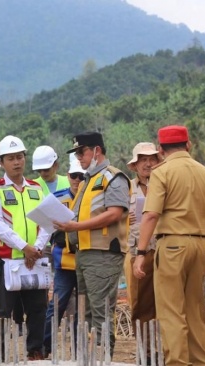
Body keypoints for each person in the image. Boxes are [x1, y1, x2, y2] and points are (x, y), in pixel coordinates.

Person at [133, 125, 205, 366]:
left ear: (161, 150)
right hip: (201, 245)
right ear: (188, 145)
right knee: (195, 310)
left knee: (171, 312)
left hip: (172, 245)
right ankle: (202, 362)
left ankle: (178, 363)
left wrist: (140, 253)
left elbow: (150, 215)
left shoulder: (162, 173)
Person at [54, 131, 131, 355]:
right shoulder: (89, 180)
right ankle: (90, 356)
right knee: (86, 310)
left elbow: (114, 213)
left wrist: (75, 227)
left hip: (104, 252)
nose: (79, 157)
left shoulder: (113, 177)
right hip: (85, 252)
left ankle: (103, 356)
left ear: (96, 150)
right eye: (76, 153)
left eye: (81, 151)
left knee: (101, 309)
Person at [0, 135, 50, 362]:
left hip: (35, 260)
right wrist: (25, 248)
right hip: (7, 262)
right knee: (4, 313)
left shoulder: (36, 189)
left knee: (38, 309)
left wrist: (37, 248)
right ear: (1, 163)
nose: (16, 162)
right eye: (10, 158)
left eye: (20, 157)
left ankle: (35, 352)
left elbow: (47, 221)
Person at [43, 159, 85, 356]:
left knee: (82, 308)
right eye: (74, 176)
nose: (77, 180)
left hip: (86, 259)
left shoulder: (92, 199)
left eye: (81, 176)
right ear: (68, 176)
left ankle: (79, 350)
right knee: (57, 303)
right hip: (63, 259)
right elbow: (46, 226)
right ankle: (46, 345)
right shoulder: (57, 198)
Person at [125, 142, 161, 363]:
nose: (148, 163)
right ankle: (145, 352)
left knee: (166, 303)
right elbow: (113, 217)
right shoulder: (126, 188)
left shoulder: (165, 184)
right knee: (140, 304)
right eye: (143, 160)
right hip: (137, 252)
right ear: (135, 165)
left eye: (152, 159)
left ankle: (164, 350)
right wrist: (123, 218)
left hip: (164, 249)